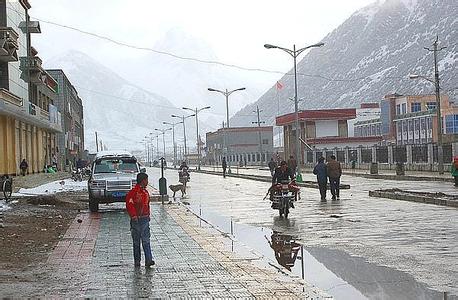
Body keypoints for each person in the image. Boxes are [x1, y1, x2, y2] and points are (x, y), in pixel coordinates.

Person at [125, 172, 154, 268]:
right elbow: (130, 205)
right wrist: (133, 216)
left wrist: (148, 215)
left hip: (145, 219)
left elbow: (147, 205)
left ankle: (149, 260)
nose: (147, 182)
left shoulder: (145, 192)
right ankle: (137, 261)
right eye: (146, 180)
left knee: (146, 240)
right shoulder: (133, 192)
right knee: (136, 242)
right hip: (136, 220)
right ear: (143, 180)